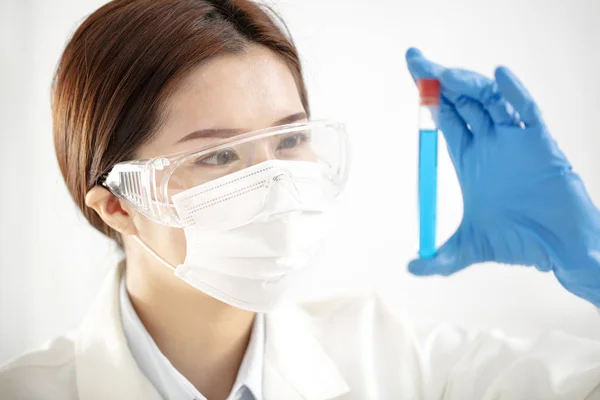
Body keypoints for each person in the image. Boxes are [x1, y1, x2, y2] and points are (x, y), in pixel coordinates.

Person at [1, 0, 600, 398]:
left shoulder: (386, 358)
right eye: (217, 155)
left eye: (289, 138)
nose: (276, 184)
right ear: (118, 206)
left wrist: (593, 261)